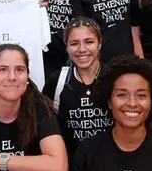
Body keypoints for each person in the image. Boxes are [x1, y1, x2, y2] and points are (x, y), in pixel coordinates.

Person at [42, 17, 111, 161]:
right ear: (66, 47)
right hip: (72, 166)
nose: (82, 49)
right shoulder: (57, 82)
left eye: (89, 42)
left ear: (99, 44)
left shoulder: (115, 77)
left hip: (111, 163)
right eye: (74, 43)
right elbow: (47, 126)